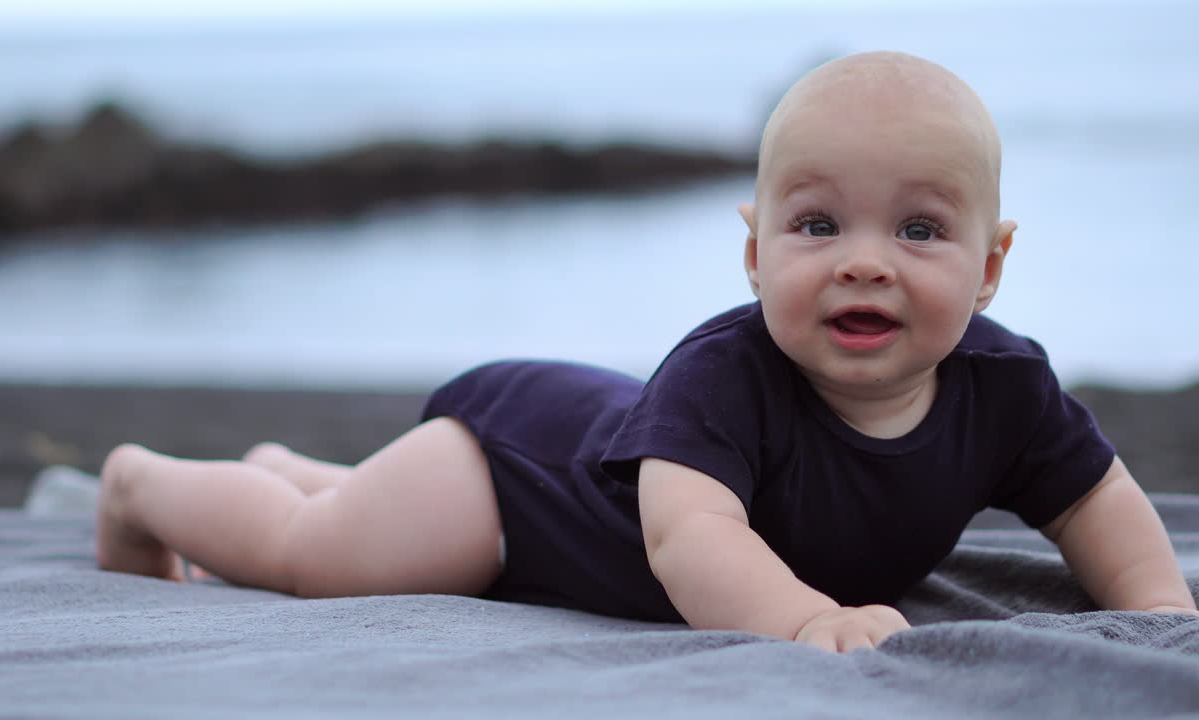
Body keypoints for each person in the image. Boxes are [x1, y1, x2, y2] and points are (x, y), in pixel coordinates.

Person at [96, 51, 1198, 653]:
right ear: (755, 251)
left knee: (345, 510)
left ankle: (291, 461)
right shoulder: (722, 378)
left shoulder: (1003, 386)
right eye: (816, 226)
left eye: (917, 230)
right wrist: (803, 623)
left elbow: (1093, 500)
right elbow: (687, 540)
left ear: (990, 264)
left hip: (574, 456)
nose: (864, 263)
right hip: (507, 484)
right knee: (319, 558)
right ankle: (144, 483)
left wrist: (1160, 614)